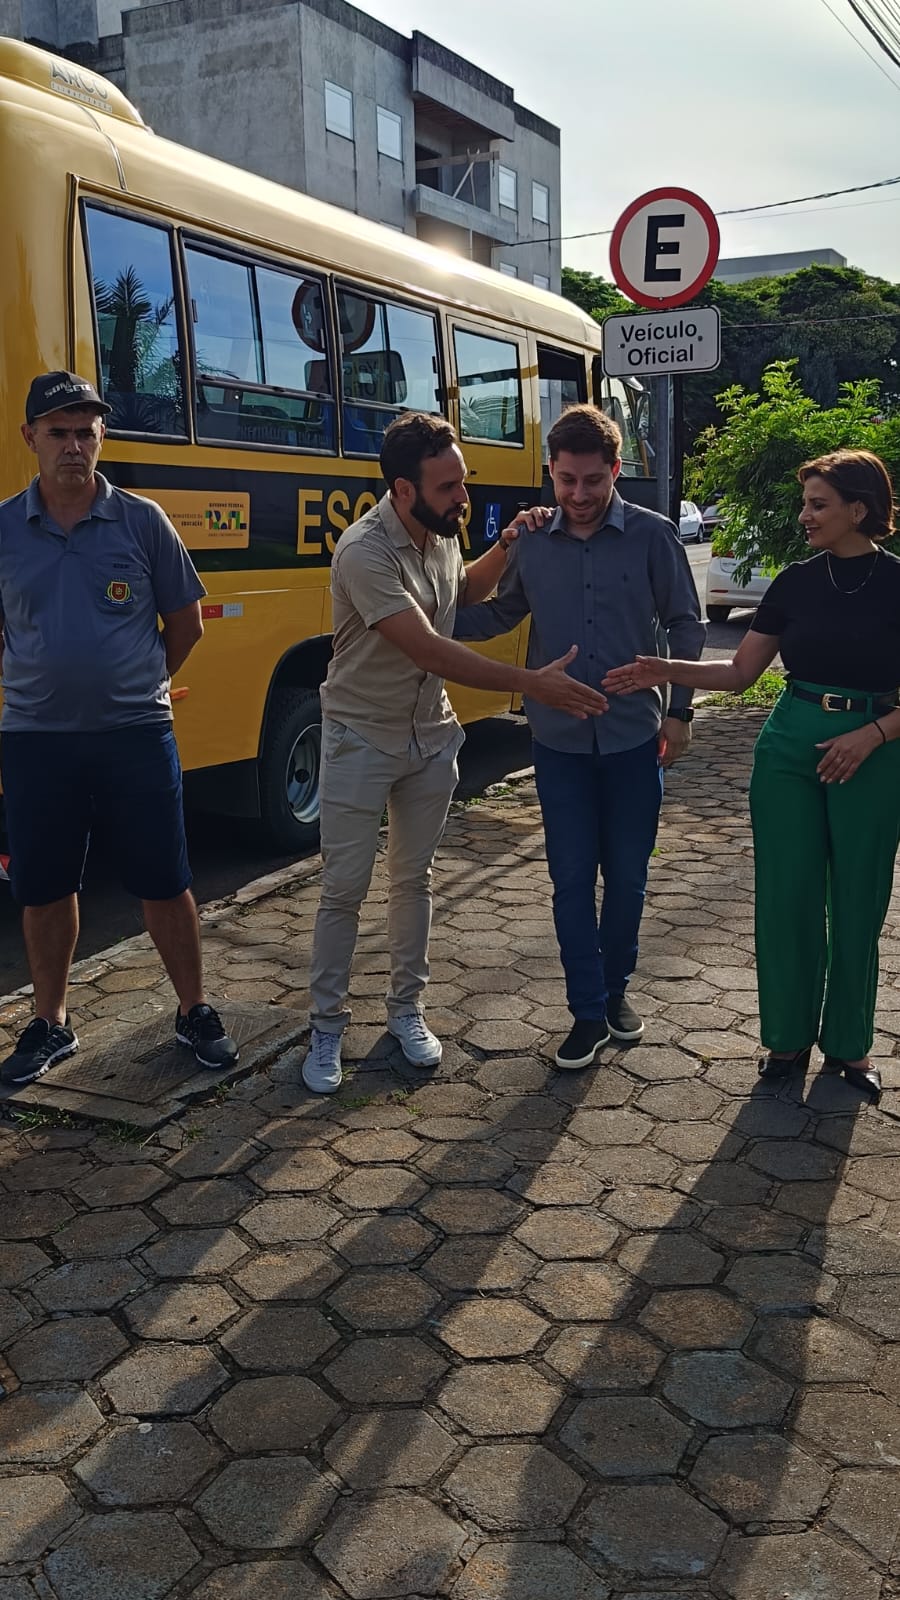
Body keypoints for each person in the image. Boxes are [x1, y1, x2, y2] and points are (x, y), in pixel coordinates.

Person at [303, 411, 608, 1094]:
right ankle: (325, 1028)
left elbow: (460, 593)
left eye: (462, 482)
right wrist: (532, 684)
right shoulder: (363, 550)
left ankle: (406, 1012)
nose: (463, 497)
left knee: (415, 881)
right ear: (403, 490)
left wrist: (506, 543)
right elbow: (428, 647)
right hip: (360, 735)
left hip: (430, 736)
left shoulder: (440, 531)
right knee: (344, 889)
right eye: (449, 487)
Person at [604, 448, 900, 1101]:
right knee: (787, 897)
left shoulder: (896, 582)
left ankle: (849, 1046)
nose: (804, 516)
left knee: (858, 901)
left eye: (818, 505)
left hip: (875, 750)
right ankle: (786, 1039)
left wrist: (874, 734)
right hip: (789, 748)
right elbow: (740, 673)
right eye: (805, 503)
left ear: (859, 509)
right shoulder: (795, 581)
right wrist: (665, 669)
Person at [0, 371, 238, 1086]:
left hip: (136, 733)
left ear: (101, 437)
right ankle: (51, 1021)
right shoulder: (4, 528)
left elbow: (185, 623)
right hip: (37, 740)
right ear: (30, 437)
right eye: (59, 433)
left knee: (164, 880)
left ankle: (194, 1010)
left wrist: (140, 684)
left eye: (86, 432)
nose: (73, 446)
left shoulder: (143, 521)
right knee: (44, 887)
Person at [454, 403, 705, 1069]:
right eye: (566, 480)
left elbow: (686, 624)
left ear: (616, 470)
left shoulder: (653, 536)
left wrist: (680, 711)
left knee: (626, 877)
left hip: (633, 739)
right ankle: (587, 1011)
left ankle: (616, 991)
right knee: (570, 879)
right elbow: (501, 613)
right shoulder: (533, 540)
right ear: (551, 472)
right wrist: (420, 622)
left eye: (593, 480)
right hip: (558, 744)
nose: (580, 494)